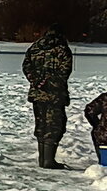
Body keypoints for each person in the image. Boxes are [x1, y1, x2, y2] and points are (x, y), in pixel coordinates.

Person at [23, 25, 73, 169]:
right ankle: (48, 161)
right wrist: (48, 82)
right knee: (55, 126)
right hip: (54, 95)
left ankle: (43, 159)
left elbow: (26, 67)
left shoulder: (34, 48)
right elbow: (64, 72)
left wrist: (36, 81)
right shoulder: (62, 49)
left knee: (42, 124)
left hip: (37, 94)